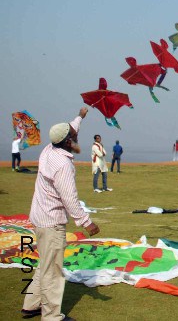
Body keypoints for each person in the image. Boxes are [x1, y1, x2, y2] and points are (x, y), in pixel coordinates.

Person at [21, 107, 100, 320]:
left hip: (39, 216)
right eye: (73, 137)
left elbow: (71, 128)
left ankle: (31, 304)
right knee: (54, 271)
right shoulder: (63, 165)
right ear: (67, 142)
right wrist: (86, 222)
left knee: (45, 263)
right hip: (51, 222)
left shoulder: (49, 149)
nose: (76, 138)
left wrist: (80, 116)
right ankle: (52, 316)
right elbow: (69, 198)